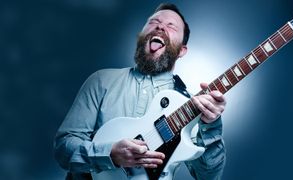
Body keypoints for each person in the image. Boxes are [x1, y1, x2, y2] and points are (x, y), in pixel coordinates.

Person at [54, 3, 226, 180]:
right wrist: (110, 155)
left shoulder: (193, 107)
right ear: (141, 35)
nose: (160, 26)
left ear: (182, 50)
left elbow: (208, 177)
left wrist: (211, 125)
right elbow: (63, 149)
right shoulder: (100, 81)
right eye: (153, 22)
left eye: (171, 26)